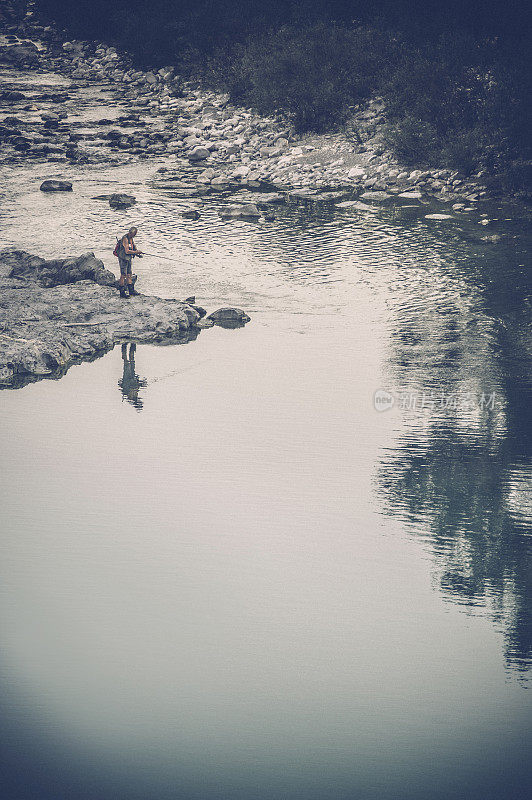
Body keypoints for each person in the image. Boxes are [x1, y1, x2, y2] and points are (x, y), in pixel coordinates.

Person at [117, 227, 143, 298]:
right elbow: (127, 251)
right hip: (123, 259)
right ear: (131, 233)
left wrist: (137, 253)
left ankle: (131, 291)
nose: (135, 235)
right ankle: (122, 293)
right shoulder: (125, 239)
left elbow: (133, 248)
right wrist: (136, 252)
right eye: (134, 234)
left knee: (129, 274)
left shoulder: (131, 238)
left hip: (128, 258)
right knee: (123, 275)